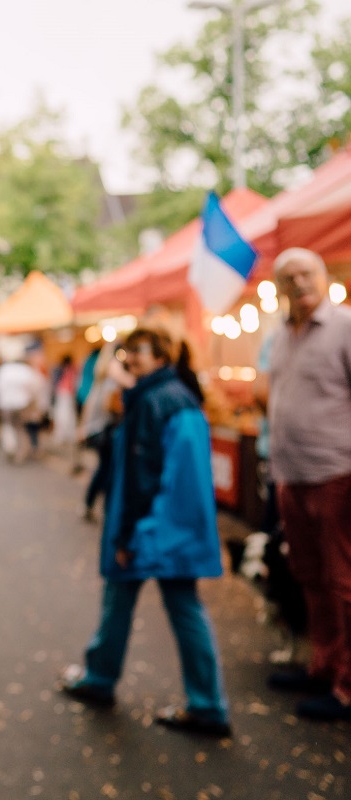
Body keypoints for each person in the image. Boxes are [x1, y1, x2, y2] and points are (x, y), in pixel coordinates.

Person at [58, 326, 231, 738]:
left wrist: (137, 534)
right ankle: (105, 679)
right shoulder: (152, 397)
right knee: (134, 602)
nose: (129, 359)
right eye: (125, 352)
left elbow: (167, 479)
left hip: (155, 530)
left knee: (169, 605)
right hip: (149, 528)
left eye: (138, 351)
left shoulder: (167, 401)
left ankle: (203, 704)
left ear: (161, 356)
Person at [261, 247, 351, 721]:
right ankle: (324, 664)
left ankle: (347, 686)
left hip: (337, 474)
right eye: (288, 276)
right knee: (311, 578)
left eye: (306, 273)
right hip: (291, 474)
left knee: (345, 582)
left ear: (323, 276)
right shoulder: (281, 333)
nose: (298, 283)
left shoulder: (345, 327)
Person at [78, 346, 133, 522]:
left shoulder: (102, 376)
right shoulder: (113, 375)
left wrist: (83, 426)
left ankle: (92, 503)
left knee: (104, 469)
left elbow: (90, 401)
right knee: (107, 470)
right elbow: (106, 404)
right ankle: (102, 507)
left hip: (100, 428)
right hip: (105, 428)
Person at [0, 351, 45, 464]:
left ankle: (10, 447)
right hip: (22, 404)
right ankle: (20, 453)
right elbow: (34, 388)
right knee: (20, 429)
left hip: (4, 404)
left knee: (7, 426)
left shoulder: (3, 369)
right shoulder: (26, 370)